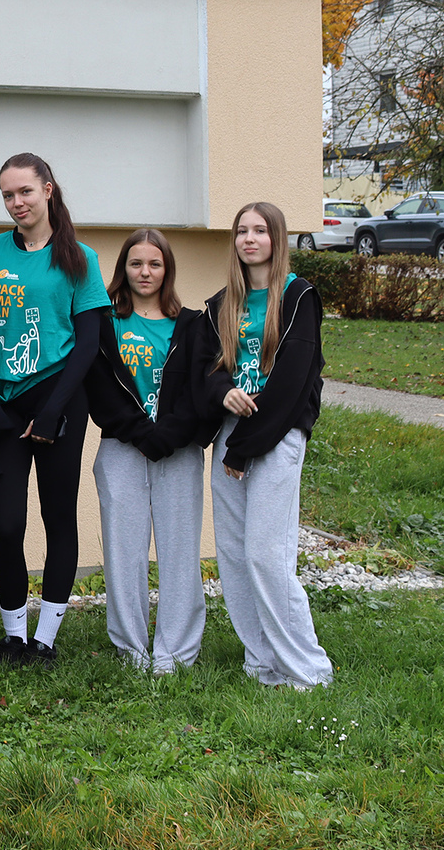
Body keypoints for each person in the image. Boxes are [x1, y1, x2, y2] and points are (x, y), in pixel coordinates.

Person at [0, 153, 110, 667]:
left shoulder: (79, 258)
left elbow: (88, 344)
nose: (16, 202)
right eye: (7, 194)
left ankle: (45, 639)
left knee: (58, 517)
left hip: (58, 399)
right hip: (0, 405)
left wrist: (52, 413)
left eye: (24, 191)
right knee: (7, 524)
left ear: (47, 189)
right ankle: (13, 635)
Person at [191, 201, 332, 689]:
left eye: (260, 231)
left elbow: (294, 383)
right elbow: (207, 368)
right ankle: (264, 664)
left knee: (267, 555)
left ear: (277, 238)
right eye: (241, 231)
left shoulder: (298, 296)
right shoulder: (221, 303)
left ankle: (308, 671)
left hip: (275, 434)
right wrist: (222, 391)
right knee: (233, 554)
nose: (249, 239)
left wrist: (242, 448)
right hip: (232, 435)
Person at [85, 229, 214, 673]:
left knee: (180, 552)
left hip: (178, 452)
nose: (145, 272)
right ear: (123, 268)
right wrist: (141, 432)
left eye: (154, 264)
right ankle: (132, 651)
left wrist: (168, 436)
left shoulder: (193, 324)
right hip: (121, 448)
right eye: (136, 263)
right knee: (124, 554)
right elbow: (99, 390)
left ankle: (175, 652)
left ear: (167, 270)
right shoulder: (103, 322)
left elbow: (200, 391)